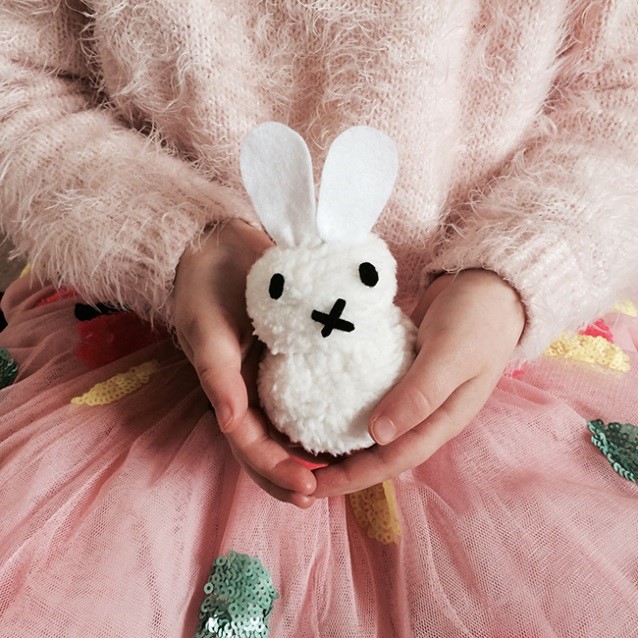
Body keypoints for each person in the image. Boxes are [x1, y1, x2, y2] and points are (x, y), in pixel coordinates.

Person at [0, 1, 637, 636]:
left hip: (496, 345)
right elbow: (17, 76)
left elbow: (623, 89)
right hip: (150, 326)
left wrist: (523, 264)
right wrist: (174, 236)